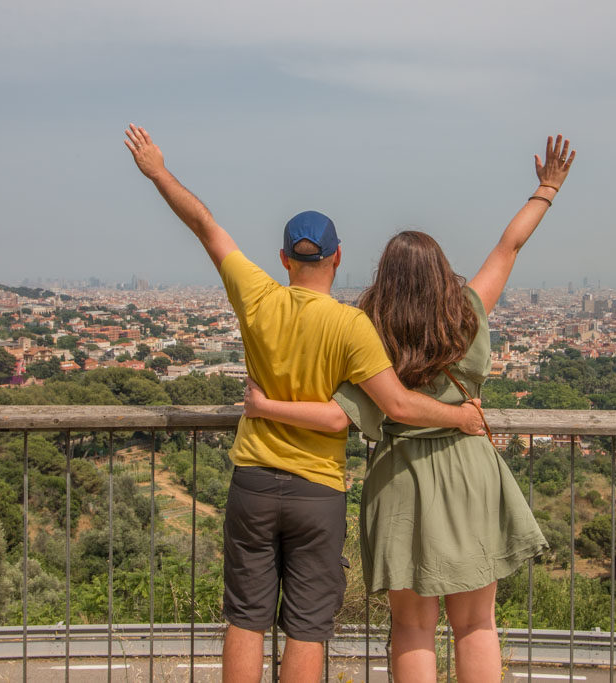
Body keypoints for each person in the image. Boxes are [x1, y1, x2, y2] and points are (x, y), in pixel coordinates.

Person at [122, 124, 485, 683]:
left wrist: (158, 171)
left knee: (245, 618)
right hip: (317, 486)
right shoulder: (352, 325)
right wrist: (462, 417)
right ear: (337, 257)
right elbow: (398, 405)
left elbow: (205, 224)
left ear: (284, 259)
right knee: (307, 627)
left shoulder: (258, 296)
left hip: (253, 479)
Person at [244, 135, 576, 682]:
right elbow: (507, 248)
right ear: (441, 269)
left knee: (413, 626)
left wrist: (264, 403)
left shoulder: (366, 328)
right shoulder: (465, 310)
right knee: (475, 624)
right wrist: (547, 189)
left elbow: (334, 413)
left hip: (398, 473)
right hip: (468, 467)